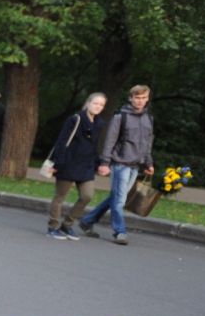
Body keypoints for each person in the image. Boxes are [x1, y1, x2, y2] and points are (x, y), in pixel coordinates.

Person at [78, 83, 155, 245]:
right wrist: (105, 162)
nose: (140, 101)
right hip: (120, 164)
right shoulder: (121, 117)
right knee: (120, 201)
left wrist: (148, 163)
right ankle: (119, 232)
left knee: (116, 198)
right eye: (137, 98)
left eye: (143, 98)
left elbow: (147, 143)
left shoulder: (149, 118)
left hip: (136, 165)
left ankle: (87, 221)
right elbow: (109, 141)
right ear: (131, 98)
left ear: (147, 99)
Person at [43, 92, 106, 239]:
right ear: (88, 103)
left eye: (102, 105)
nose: (98, 107)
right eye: (96, 103)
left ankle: (67, 224)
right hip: (68, 163)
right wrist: (57, 163)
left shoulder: (98, 123)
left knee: (87, 196)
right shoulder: (75, 119)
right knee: (60, 196)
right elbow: (62, 141)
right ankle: (52, 227)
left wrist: (98, 164)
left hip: (86, 166)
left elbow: (94, 146)